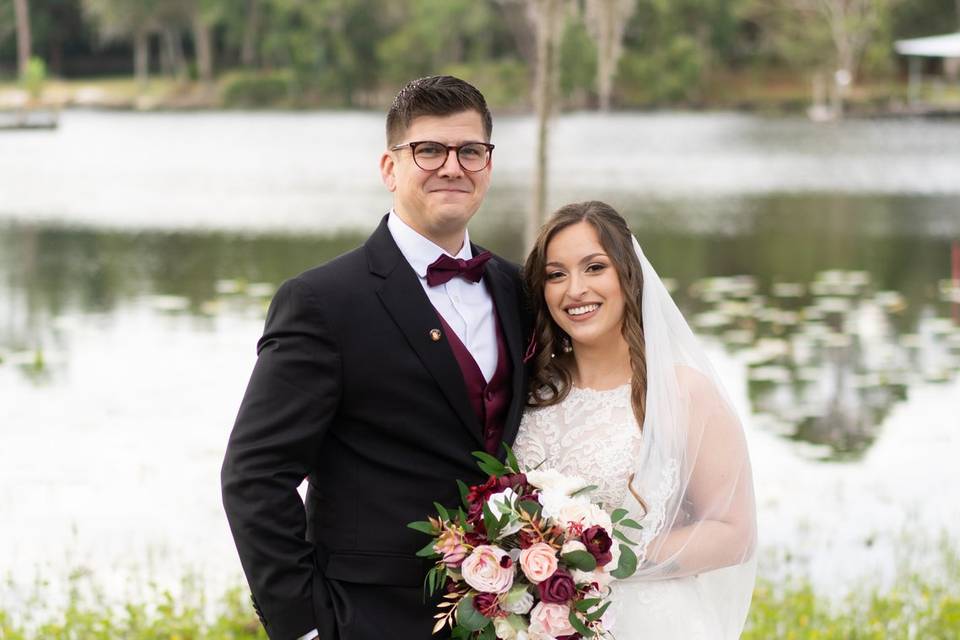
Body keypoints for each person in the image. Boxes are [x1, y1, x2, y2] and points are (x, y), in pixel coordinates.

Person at [221, 76, 529, 640]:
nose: (452, 167)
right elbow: (255, 475)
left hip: (503, 615)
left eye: (470, 151)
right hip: (366, 617)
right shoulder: (322, 301)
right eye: (429, 150)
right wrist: (307, 625)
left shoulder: (516, 288)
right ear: (389, 167)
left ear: (488, 163)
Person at [515, 201, 757, 639]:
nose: (575, 290)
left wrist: (594, 557)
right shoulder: (532, 393)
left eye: (594, 268)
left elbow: (733, 534)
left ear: (628, 274)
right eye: (556, 274)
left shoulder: (684, 393)